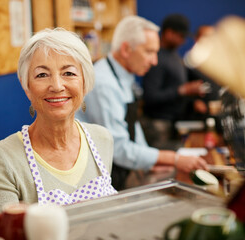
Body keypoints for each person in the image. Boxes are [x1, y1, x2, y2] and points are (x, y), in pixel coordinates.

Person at [0, 28, 117, 218]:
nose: (56, 86)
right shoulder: (2, 158)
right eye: (42, 75)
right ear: (26, 86)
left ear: (84, 82)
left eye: (68, 73)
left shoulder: (102, 139)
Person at [76, 15, 208, 191]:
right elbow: (119, 148)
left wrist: (150, 162)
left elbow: (133, 125)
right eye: (149, 51)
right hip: (97, 178)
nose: (154, 61)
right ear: (126, 49)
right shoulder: (104, 84)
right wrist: (173, 159)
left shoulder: (124, 75)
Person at [142, 14, 208, 149]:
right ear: (169, 33)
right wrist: (182, 90)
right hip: (158, 126)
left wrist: (192, 99)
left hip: (173, 123)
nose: (183, 41)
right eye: (181, 36)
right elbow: (150, 96)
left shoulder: (173, 55)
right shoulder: (156, 58)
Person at [186, 25, 222, 119]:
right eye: (206, 36)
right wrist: (194, 102)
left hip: (217, 117)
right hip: (196, 118)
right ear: (196, 39)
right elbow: (180, 90)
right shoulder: (189, 64)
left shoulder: (220, 65)